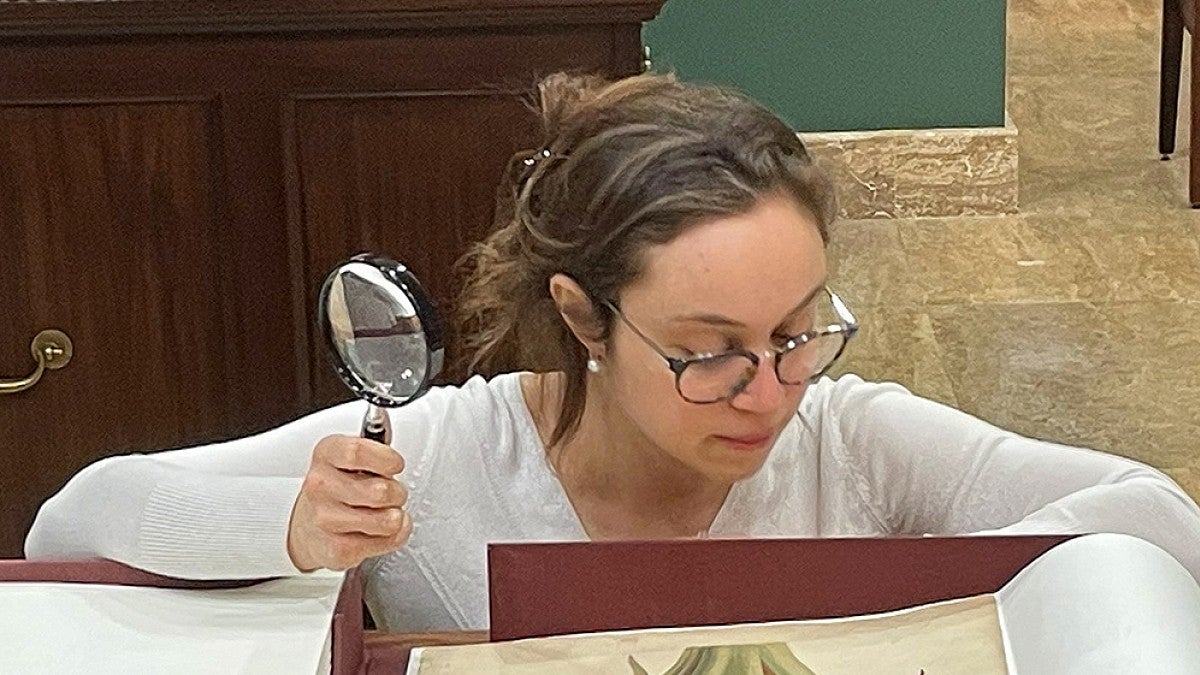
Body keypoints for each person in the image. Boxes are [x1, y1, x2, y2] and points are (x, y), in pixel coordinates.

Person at [24, 73, 1200, 632]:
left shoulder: (851, 439)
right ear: (584, 319)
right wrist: (285, 529)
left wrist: (892, 599)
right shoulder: (444, 452)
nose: (770, 391)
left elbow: (1156, 513)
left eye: (797, 333)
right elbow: (73, 520)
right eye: (708, 352)